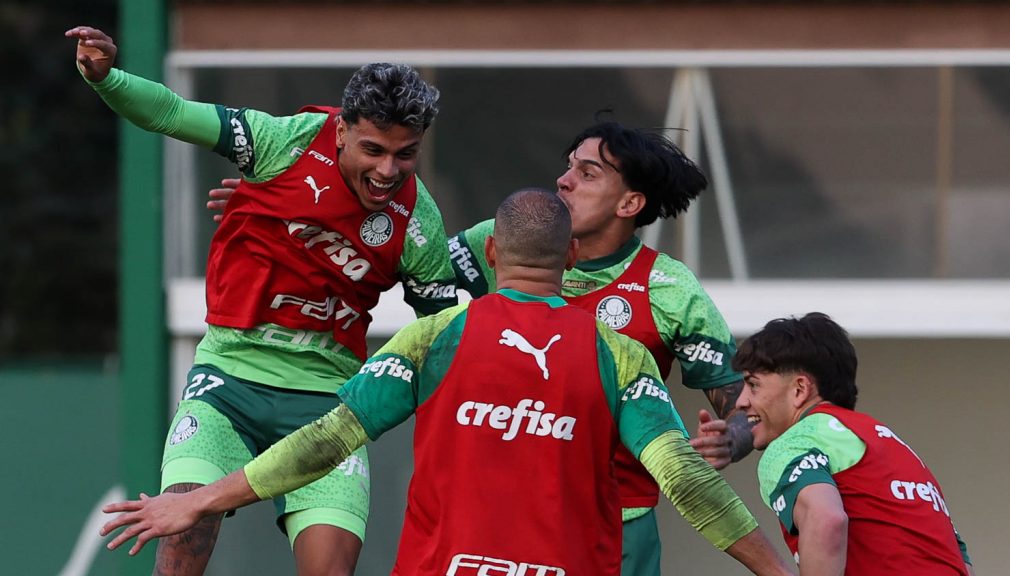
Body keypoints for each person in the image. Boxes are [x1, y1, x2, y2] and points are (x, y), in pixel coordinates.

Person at [100, 189, 794, 576]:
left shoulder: (434, 339)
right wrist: (777, 572)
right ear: (573, 255)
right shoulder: (619, 356)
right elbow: (686, 480)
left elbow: (327, 439)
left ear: (491, 254)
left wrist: (204, 499)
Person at [209, 121, 753, 574]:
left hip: (618, 522)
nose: (563, 181)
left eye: (587, 174)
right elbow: (401, 260)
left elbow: (743, 406)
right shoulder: (503, 237)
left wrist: (732, 437)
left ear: (631, 202)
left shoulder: (670, 290)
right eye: (566, 167)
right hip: (496, 524)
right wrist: (286, 215)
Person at [67, 25, 457, 576]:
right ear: (341, 131)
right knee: (179, 551)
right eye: (373, 149)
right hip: (228, 381)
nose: (387, 171)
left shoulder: (420, 223)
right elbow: (176, 114)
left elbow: (449, 335)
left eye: (405, 154)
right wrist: (106, 78)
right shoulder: (288, 141)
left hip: (327, 403)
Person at [730, 312, 974, 575]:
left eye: (753, 385)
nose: (741, 401)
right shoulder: (895, 449)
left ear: (799, 389)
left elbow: (826, 519)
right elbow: (962, 561)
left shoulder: (796, 441)